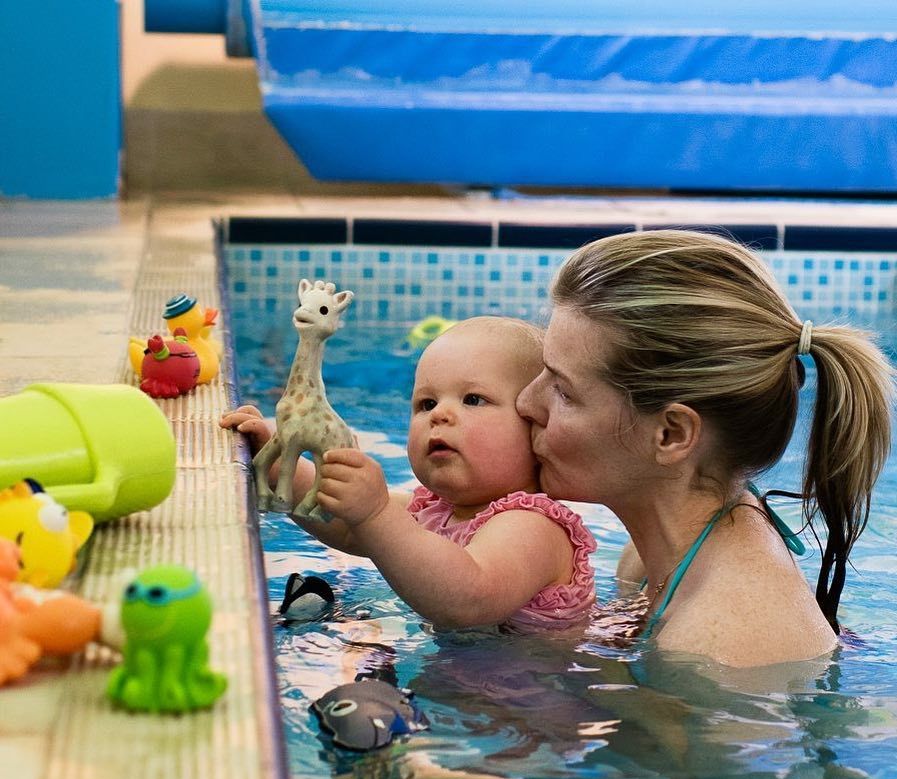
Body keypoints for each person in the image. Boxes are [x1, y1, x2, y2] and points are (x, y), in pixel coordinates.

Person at [516, 228, 894, 668]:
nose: (525, 402)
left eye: (563, 391)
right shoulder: (654, 556)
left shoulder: (717, 646)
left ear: (672, 435)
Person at [221, 316, 596, 631]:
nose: (439, 414)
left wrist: (375, 514)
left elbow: (468, 600)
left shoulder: (534, 526)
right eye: (426, 403)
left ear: (535, 424)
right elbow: (353, 528)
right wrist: (276, 469)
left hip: (534, 692)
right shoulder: (436, 509)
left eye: (473, 399)